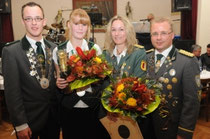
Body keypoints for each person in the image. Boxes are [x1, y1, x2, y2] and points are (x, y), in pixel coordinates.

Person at [2, 2, 60, 139]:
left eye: (38, 18)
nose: (34, 23)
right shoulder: (11, 51)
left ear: (44, 21)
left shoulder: (54, 48)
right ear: (23, 22)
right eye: (29, 19)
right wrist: (20, 124)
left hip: (53, 119)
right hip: (28, 120)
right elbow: (12, 93)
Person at [53, 8, 110, 139]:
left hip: (91, 107)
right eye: (76, 23)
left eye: (84, 25)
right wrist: (59, 83)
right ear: (69, 24)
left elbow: (100, 79)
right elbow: (58, 77)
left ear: (88, 27)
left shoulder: (94, 48)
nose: (80, 28)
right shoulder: (59, 50)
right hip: (69, 107)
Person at [146, 17, 201, 139]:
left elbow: (191, 102)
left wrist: (184, 132)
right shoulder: (145, 58)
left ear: (172, 35)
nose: (158, 38)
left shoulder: (187, 61)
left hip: (171, 128)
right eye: (155, 33)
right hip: (146, 127)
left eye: (163, 33)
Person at [101, 15, 147, 137]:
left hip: (131, 112)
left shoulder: (138, 53)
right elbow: (104, 84)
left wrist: (118, 109)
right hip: (109, 113)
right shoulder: (105, 53)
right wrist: (110, 109)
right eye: (114, 30)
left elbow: (138, 85)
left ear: (128, 31)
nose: (117, 33)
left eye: (121, 29)